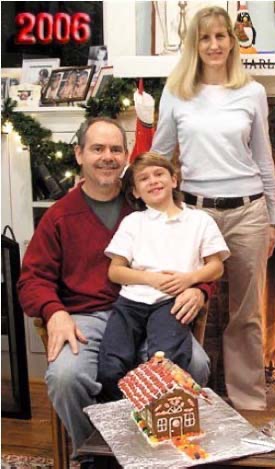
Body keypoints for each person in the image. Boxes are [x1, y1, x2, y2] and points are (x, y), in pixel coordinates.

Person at [17, 117, 213, 460]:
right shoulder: (60, 216)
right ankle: (98, 455)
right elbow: (32, 279)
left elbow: (195, 250)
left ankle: (162, 454)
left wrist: (200, 290)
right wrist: (55, 312)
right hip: (85, 318)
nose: (107, 157)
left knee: (195, 364)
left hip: (153, 309)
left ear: (125, 157)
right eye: (97, 149)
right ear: (79, 154)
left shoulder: (145, 204)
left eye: (115, 149)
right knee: (66, 377)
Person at [151, 6, 275, 411]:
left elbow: (264, 159)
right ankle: (187, 395)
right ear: (195, 44)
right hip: (194, 213)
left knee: (246, 312)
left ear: (232, 40)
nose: (214, 45)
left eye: (221, 36)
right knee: (187, 303)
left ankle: (248, 403)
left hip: (248, 213)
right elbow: (159, 155)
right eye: (205, 38)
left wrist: (272, 218)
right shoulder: (176, 92)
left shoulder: (252, 92)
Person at [98, 152, 230, 400]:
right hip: (130, 303)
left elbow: (216, 266)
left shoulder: (199, 221)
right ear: (136, 192)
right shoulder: (133, 222)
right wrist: (151, 279)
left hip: (169, 303)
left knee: (166, 362)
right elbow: (115, 271)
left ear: (174, 180)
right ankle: (120, 419)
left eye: (159, 174)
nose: (153, 181)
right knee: (111, 363)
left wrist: (188, 279)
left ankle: (161, 418)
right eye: (144, 178)